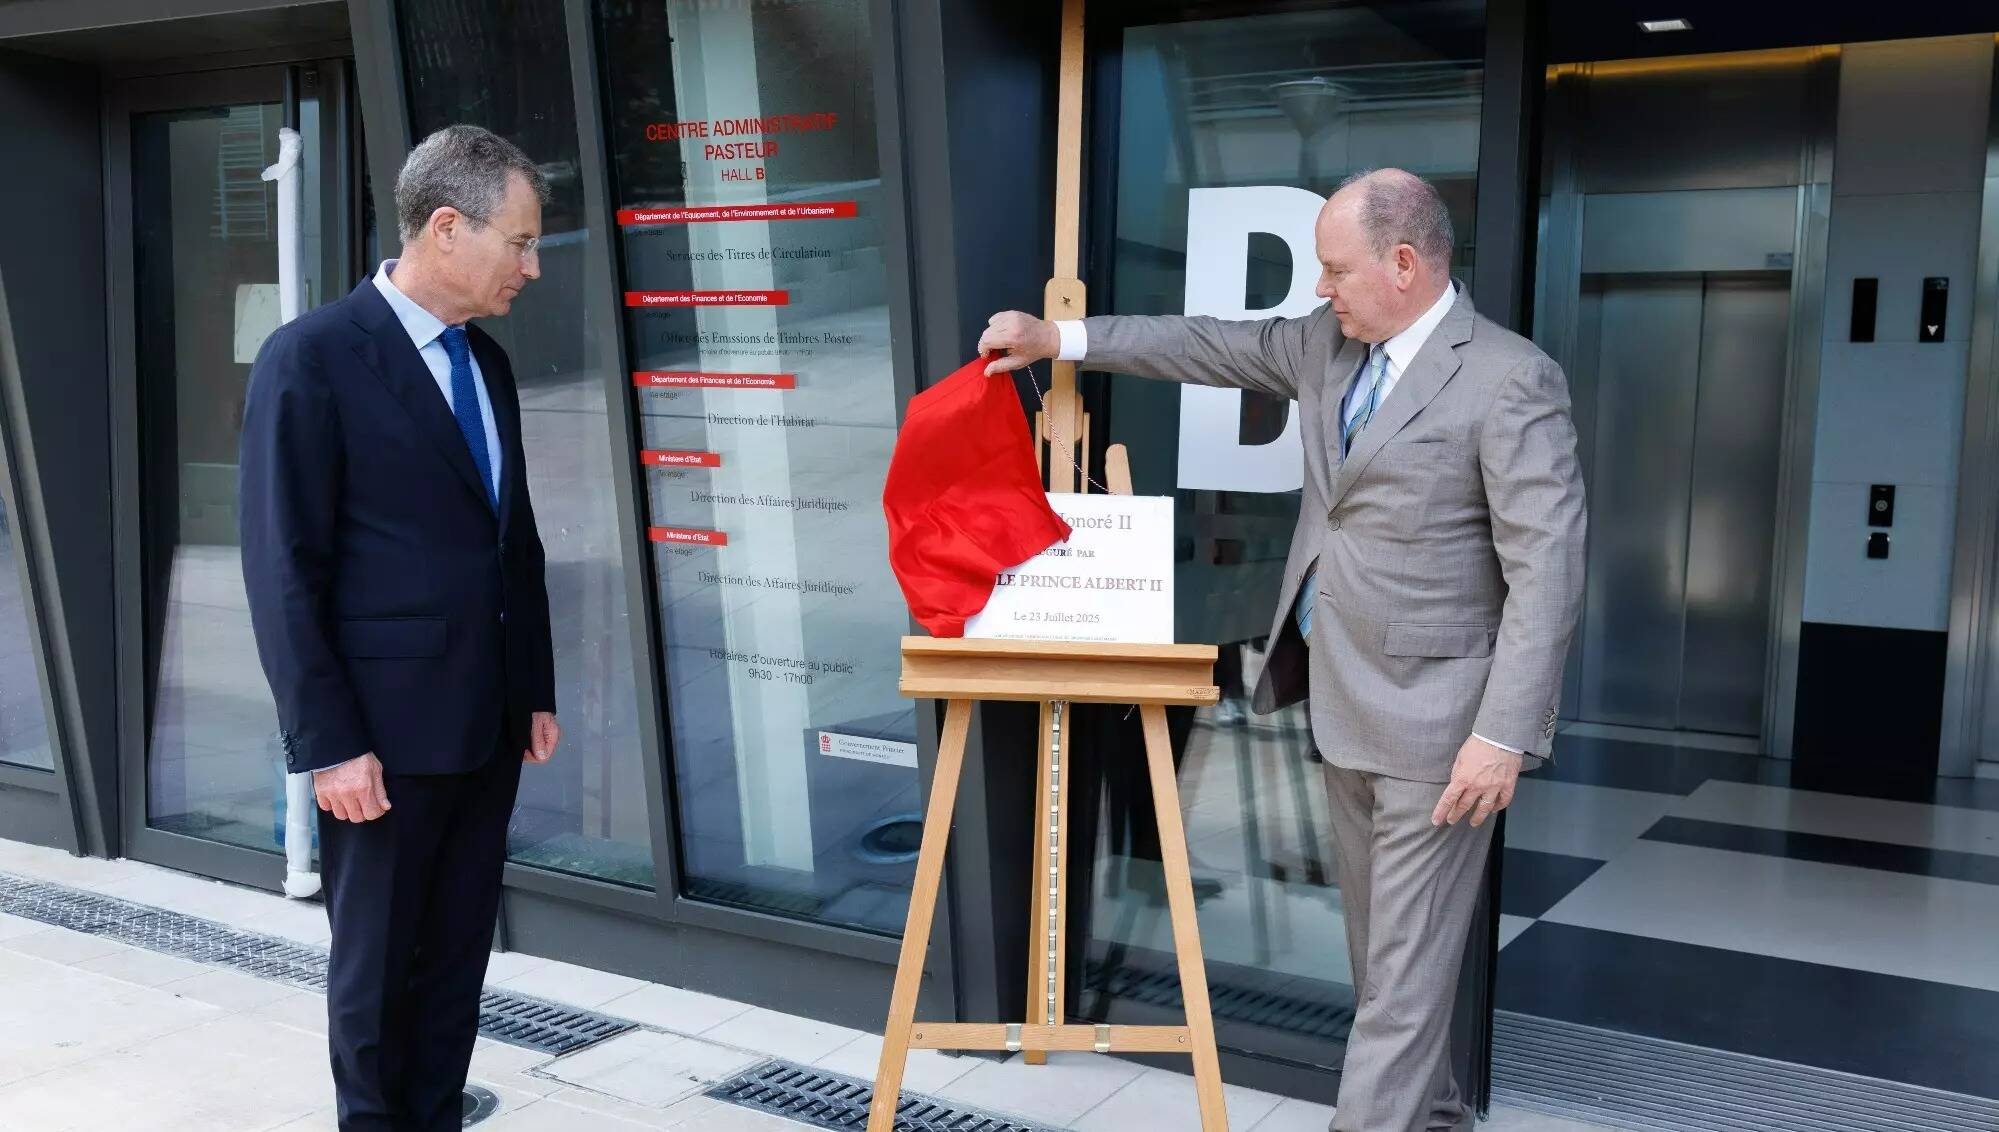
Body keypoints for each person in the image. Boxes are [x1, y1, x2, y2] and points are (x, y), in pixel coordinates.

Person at [978, 168, 1585, 1132]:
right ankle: (1434, 1120)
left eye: (1334, 270)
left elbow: (1546, 568)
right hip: (1340, 701)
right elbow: (1206, 343)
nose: (1319, 290)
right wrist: (1062, 341)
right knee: (1384, 962)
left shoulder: (1509, 379)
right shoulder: (1325, 344)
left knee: (1398, 984)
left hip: (1444, 727)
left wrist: (1504, 733)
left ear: (1403, 263)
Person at [240, 124, 560, 1132]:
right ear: (448, 228)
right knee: (378, 974)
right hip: (378, 739)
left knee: (456, 959)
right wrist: (328, 742)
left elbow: (513, 537)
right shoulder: (314, 359)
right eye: (519, 242)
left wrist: (533, 682)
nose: (533, 265)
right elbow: (281, 568)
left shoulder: (488, 363)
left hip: (485, 722)